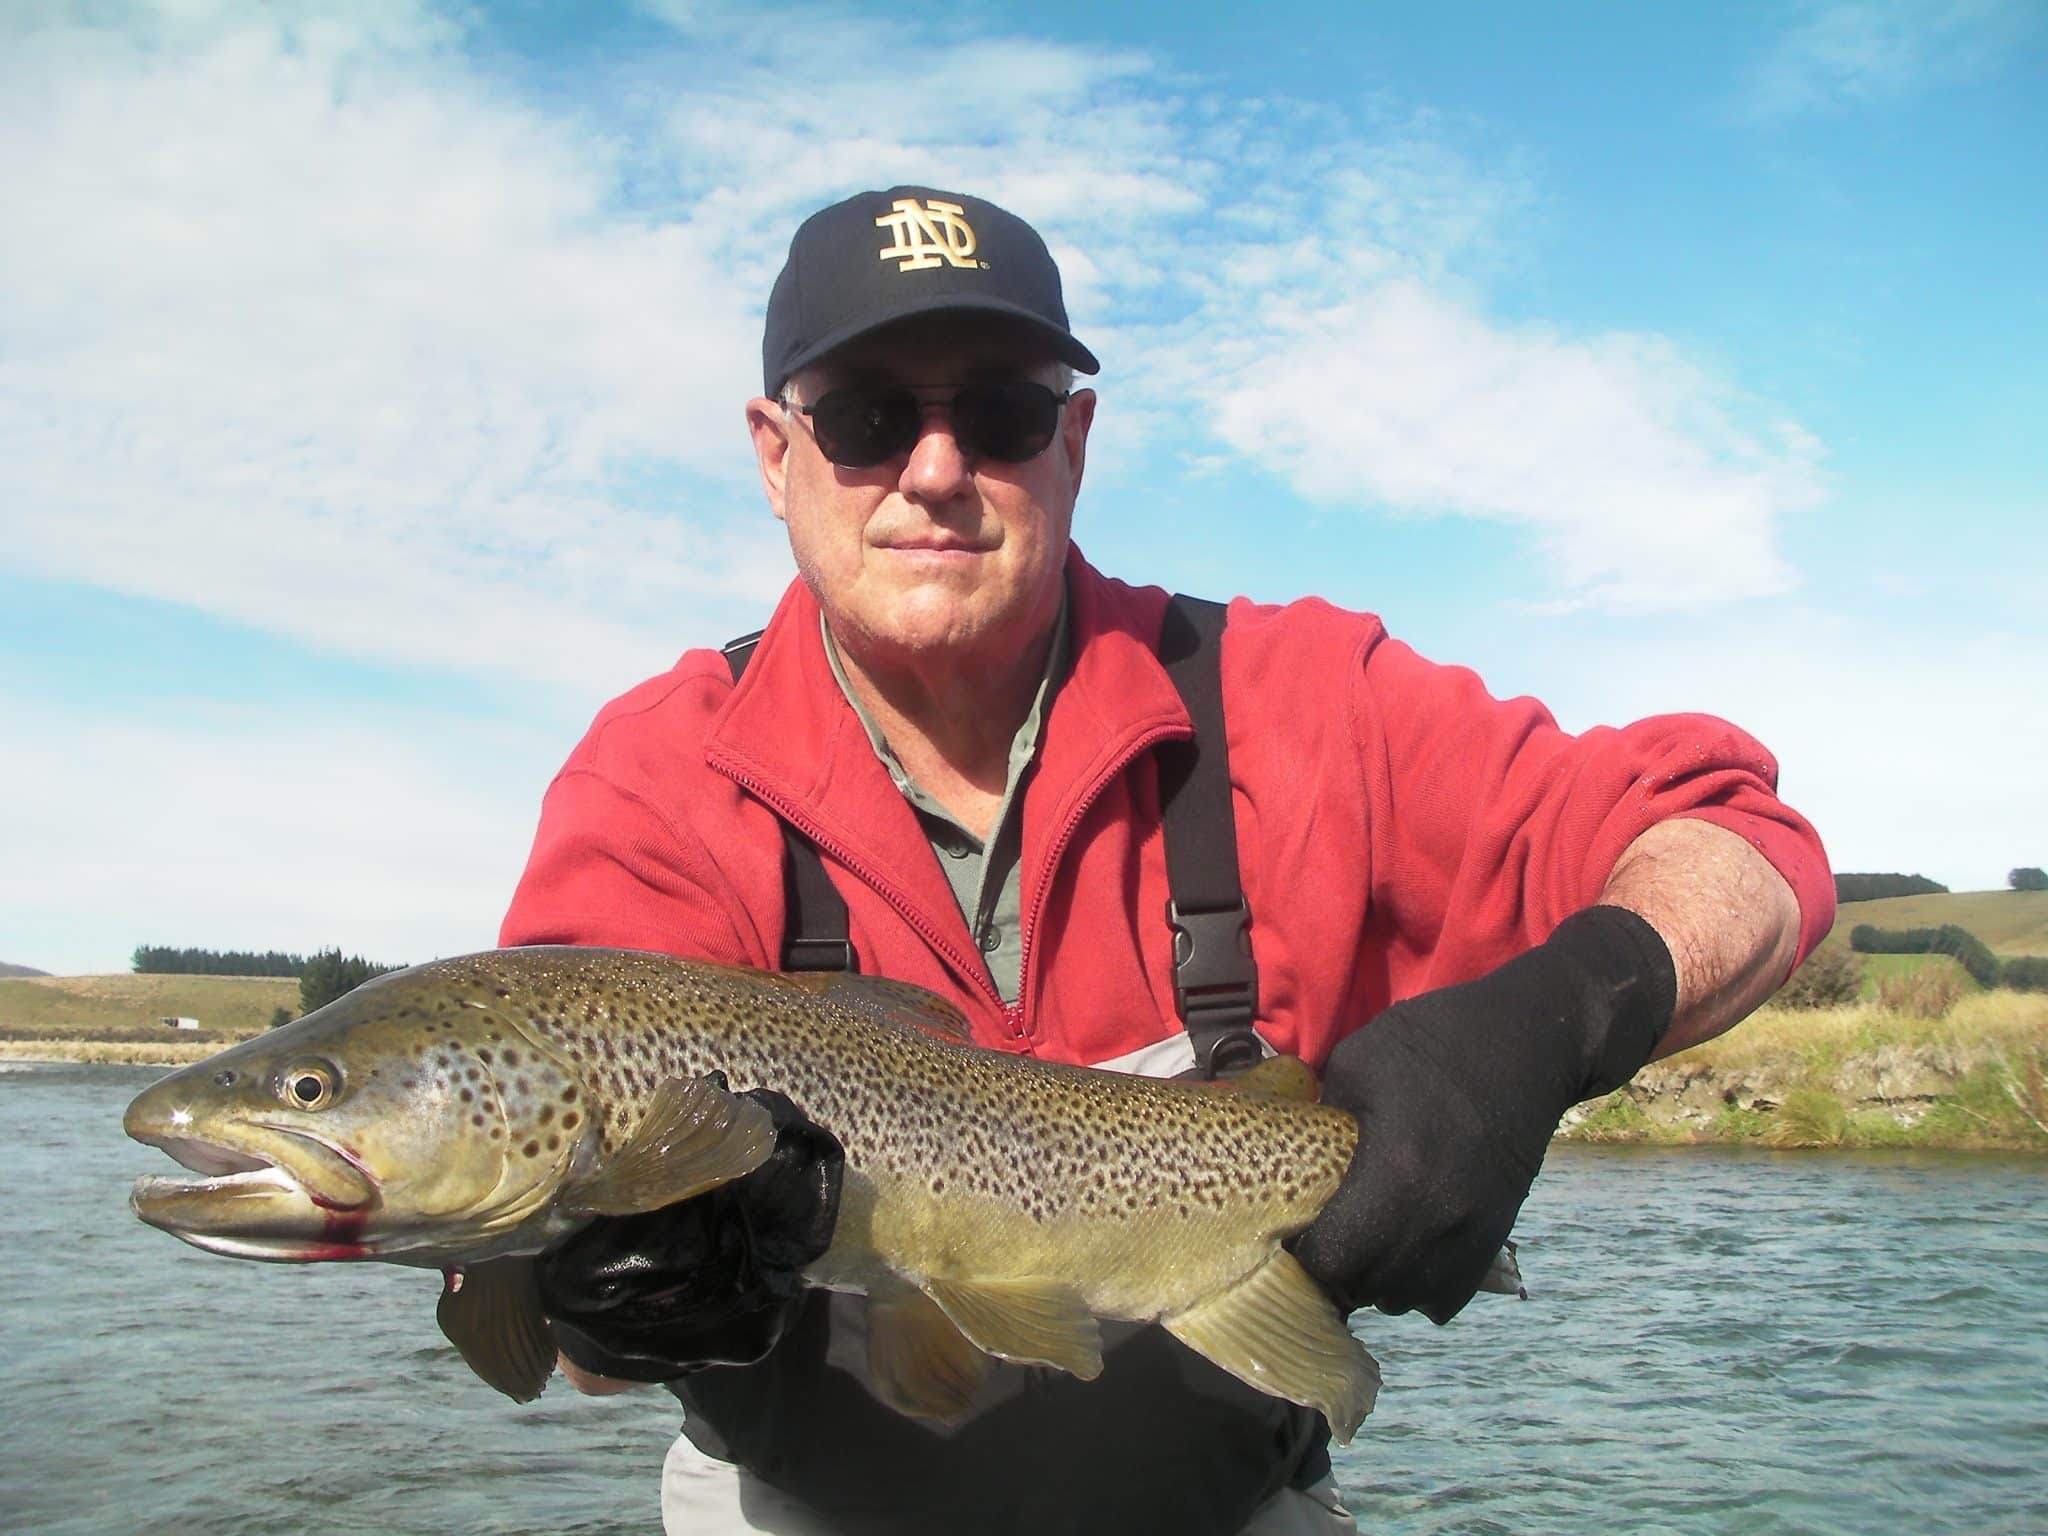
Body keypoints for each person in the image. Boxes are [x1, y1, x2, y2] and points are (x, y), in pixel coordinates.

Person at [500, 185, 1833, 1535]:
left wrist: (1554, 1020)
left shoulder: (1304, 702)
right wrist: (607, 1309)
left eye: (1004, 413)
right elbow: (547, 1330)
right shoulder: (659, 778)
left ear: (1074, 441)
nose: (937, 469)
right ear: (775, 453)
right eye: (866, 417)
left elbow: (1737, 843)